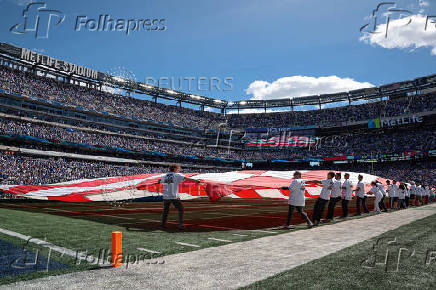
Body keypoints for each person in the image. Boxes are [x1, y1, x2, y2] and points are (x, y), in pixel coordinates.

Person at [159, 163, 201, 230]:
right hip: (173, 196)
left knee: (165, 211)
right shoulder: (177, 175)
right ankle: (180, 225)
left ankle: (163, 224)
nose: (179, 170)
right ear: (175, 169)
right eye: (178, 169)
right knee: (181, 209)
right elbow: (186, 178)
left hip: (166, 196)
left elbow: (159, 181)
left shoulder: (164, 176)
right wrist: (197, 181)